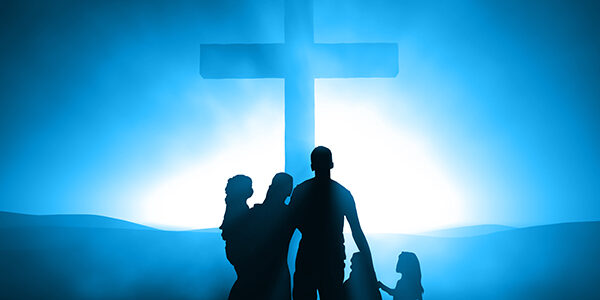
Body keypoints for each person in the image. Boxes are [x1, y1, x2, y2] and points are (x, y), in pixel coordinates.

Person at [290, 146, 376, 300]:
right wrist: (370, 267)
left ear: (312, 166)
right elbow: (357, 232)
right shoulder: (343, 194)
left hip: (308, 256)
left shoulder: (301, 191)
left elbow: (288, 227)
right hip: (332, 258)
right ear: (332, 164)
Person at [248, 172, 294, 300]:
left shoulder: (255, 212)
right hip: (277, 272)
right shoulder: (290, 214)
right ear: (289, 191)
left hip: (257, 271)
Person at [219, 175, 255, 300]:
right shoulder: (238, 207)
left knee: (244, 280)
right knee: (245, 280)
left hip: (235, 248)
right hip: (239, 248)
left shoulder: (233, 205)